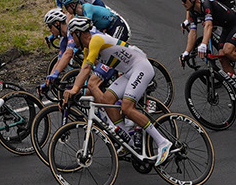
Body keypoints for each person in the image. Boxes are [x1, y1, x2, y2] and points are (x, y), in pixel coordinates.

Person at [61, 16, 171, 163]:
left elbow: (87, 68)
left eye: (72, 37)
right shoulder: (88, 48)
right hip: (129, 71)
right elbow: (83, 76)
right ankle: (129, 142)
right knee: (107, 100)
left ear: (77, 33)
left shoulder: (96, 40)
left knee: (127, 107)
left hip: (141, 67)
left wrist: (74, 90)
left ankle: (163, 142)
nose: (72, 41)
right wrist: (75, 95)